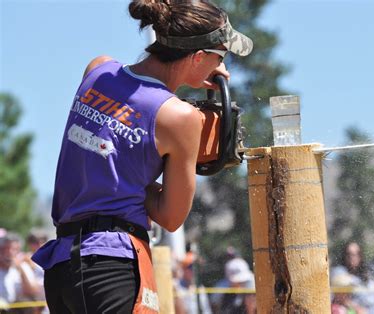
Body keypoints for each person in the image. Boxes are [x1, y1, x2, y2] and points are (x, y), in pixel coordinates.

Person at [31, 0, 253, 313]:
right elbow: (171, 216)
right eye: (221, 56)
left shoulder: (99, 69)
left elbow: (105, 143)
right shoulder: (180, 117)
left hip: (63, 263)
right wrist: (131, 181)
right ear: (199, 56)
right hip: (112, 266)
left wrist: (114, 166)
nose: (222, 66)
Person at [331, 242, 374, 314]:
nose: (353, 257)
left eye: (357, 253)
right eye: (349, 254)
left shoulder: (366, 273)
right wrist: (357, 308)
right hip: (353, 311)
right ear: (344, 255)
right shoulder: (340, 272)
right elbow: (341, 298)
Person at [0, 233, 40, 308]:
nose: (9, 252)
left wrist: (20, 269)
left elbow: (33, 291)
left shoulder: (23, 267)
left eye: (14, 249)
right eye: (5, 249)